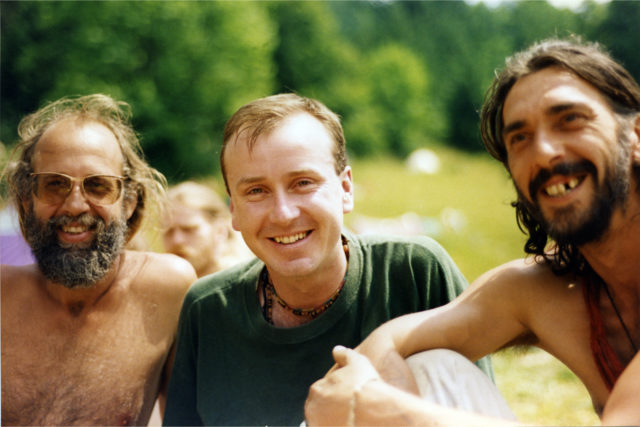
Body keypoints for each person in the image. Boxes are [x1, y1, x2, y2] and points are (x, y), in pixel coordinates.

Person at [305, 37, 640, 426]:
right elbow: (376, 350)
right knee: (431, 367)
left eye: (570, 120)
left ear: (635, 136)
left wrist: (389, 411)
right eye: (520, 138)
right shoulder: (548, 291)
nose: (544, 152)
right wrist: (383, 399)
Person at [162, 93, 494, 426]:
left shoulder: (414, 273)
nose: (283, 213)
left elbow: (477, 412)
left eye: (303, 183)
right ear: (233, 210)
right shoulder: (206, 310)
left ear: (345, 188)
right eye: (256, 191)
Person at [1, 94, 197, 426]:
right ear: (25, 200)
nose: (76, 205)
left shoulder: (166, 290)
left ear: (130, 201)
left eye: (98, 186)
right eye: (54, 185)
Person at [162, 181, 251, 277]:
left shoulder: (245, 283)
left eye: (188, 229)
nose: (177, 240)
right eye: (168, 231)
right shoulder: (163, 286)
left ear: (220, 231)